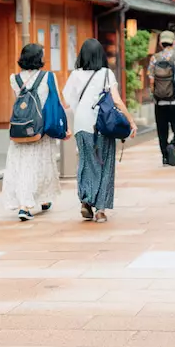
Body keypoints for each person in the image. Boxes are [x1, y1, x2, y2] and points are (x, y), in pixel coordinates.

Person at [63, 39, 136, 223]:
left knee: (86, 162)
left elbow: (67, 101)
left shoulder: (75, 75)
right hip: (103, 124)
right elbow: (117, 100)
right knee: (105, 164)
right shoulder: (106, 74)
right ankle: (101, 210)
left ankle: (86, 201)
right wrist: (131, 121)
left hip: (82, 125)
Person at [3, 43, 61, 222]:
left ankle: (40, 199)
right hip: (40, 130)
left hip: (21, 129)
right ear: (39, 58)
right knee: (40, 164)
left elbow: (21, 103)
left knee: (22, 166)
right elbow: (56, 102)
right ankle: (26, 206)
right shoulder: (48, 77)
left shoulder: (14, 79)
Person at [147, 30, 175, 167]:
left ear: (160, 43)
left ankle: (165, 157)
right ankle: (173, 145)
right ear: (174, 42)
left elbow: (151, 81)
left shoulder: (155, 58)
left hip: (160, 101)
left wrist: (156, 94)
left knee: (162, 130)